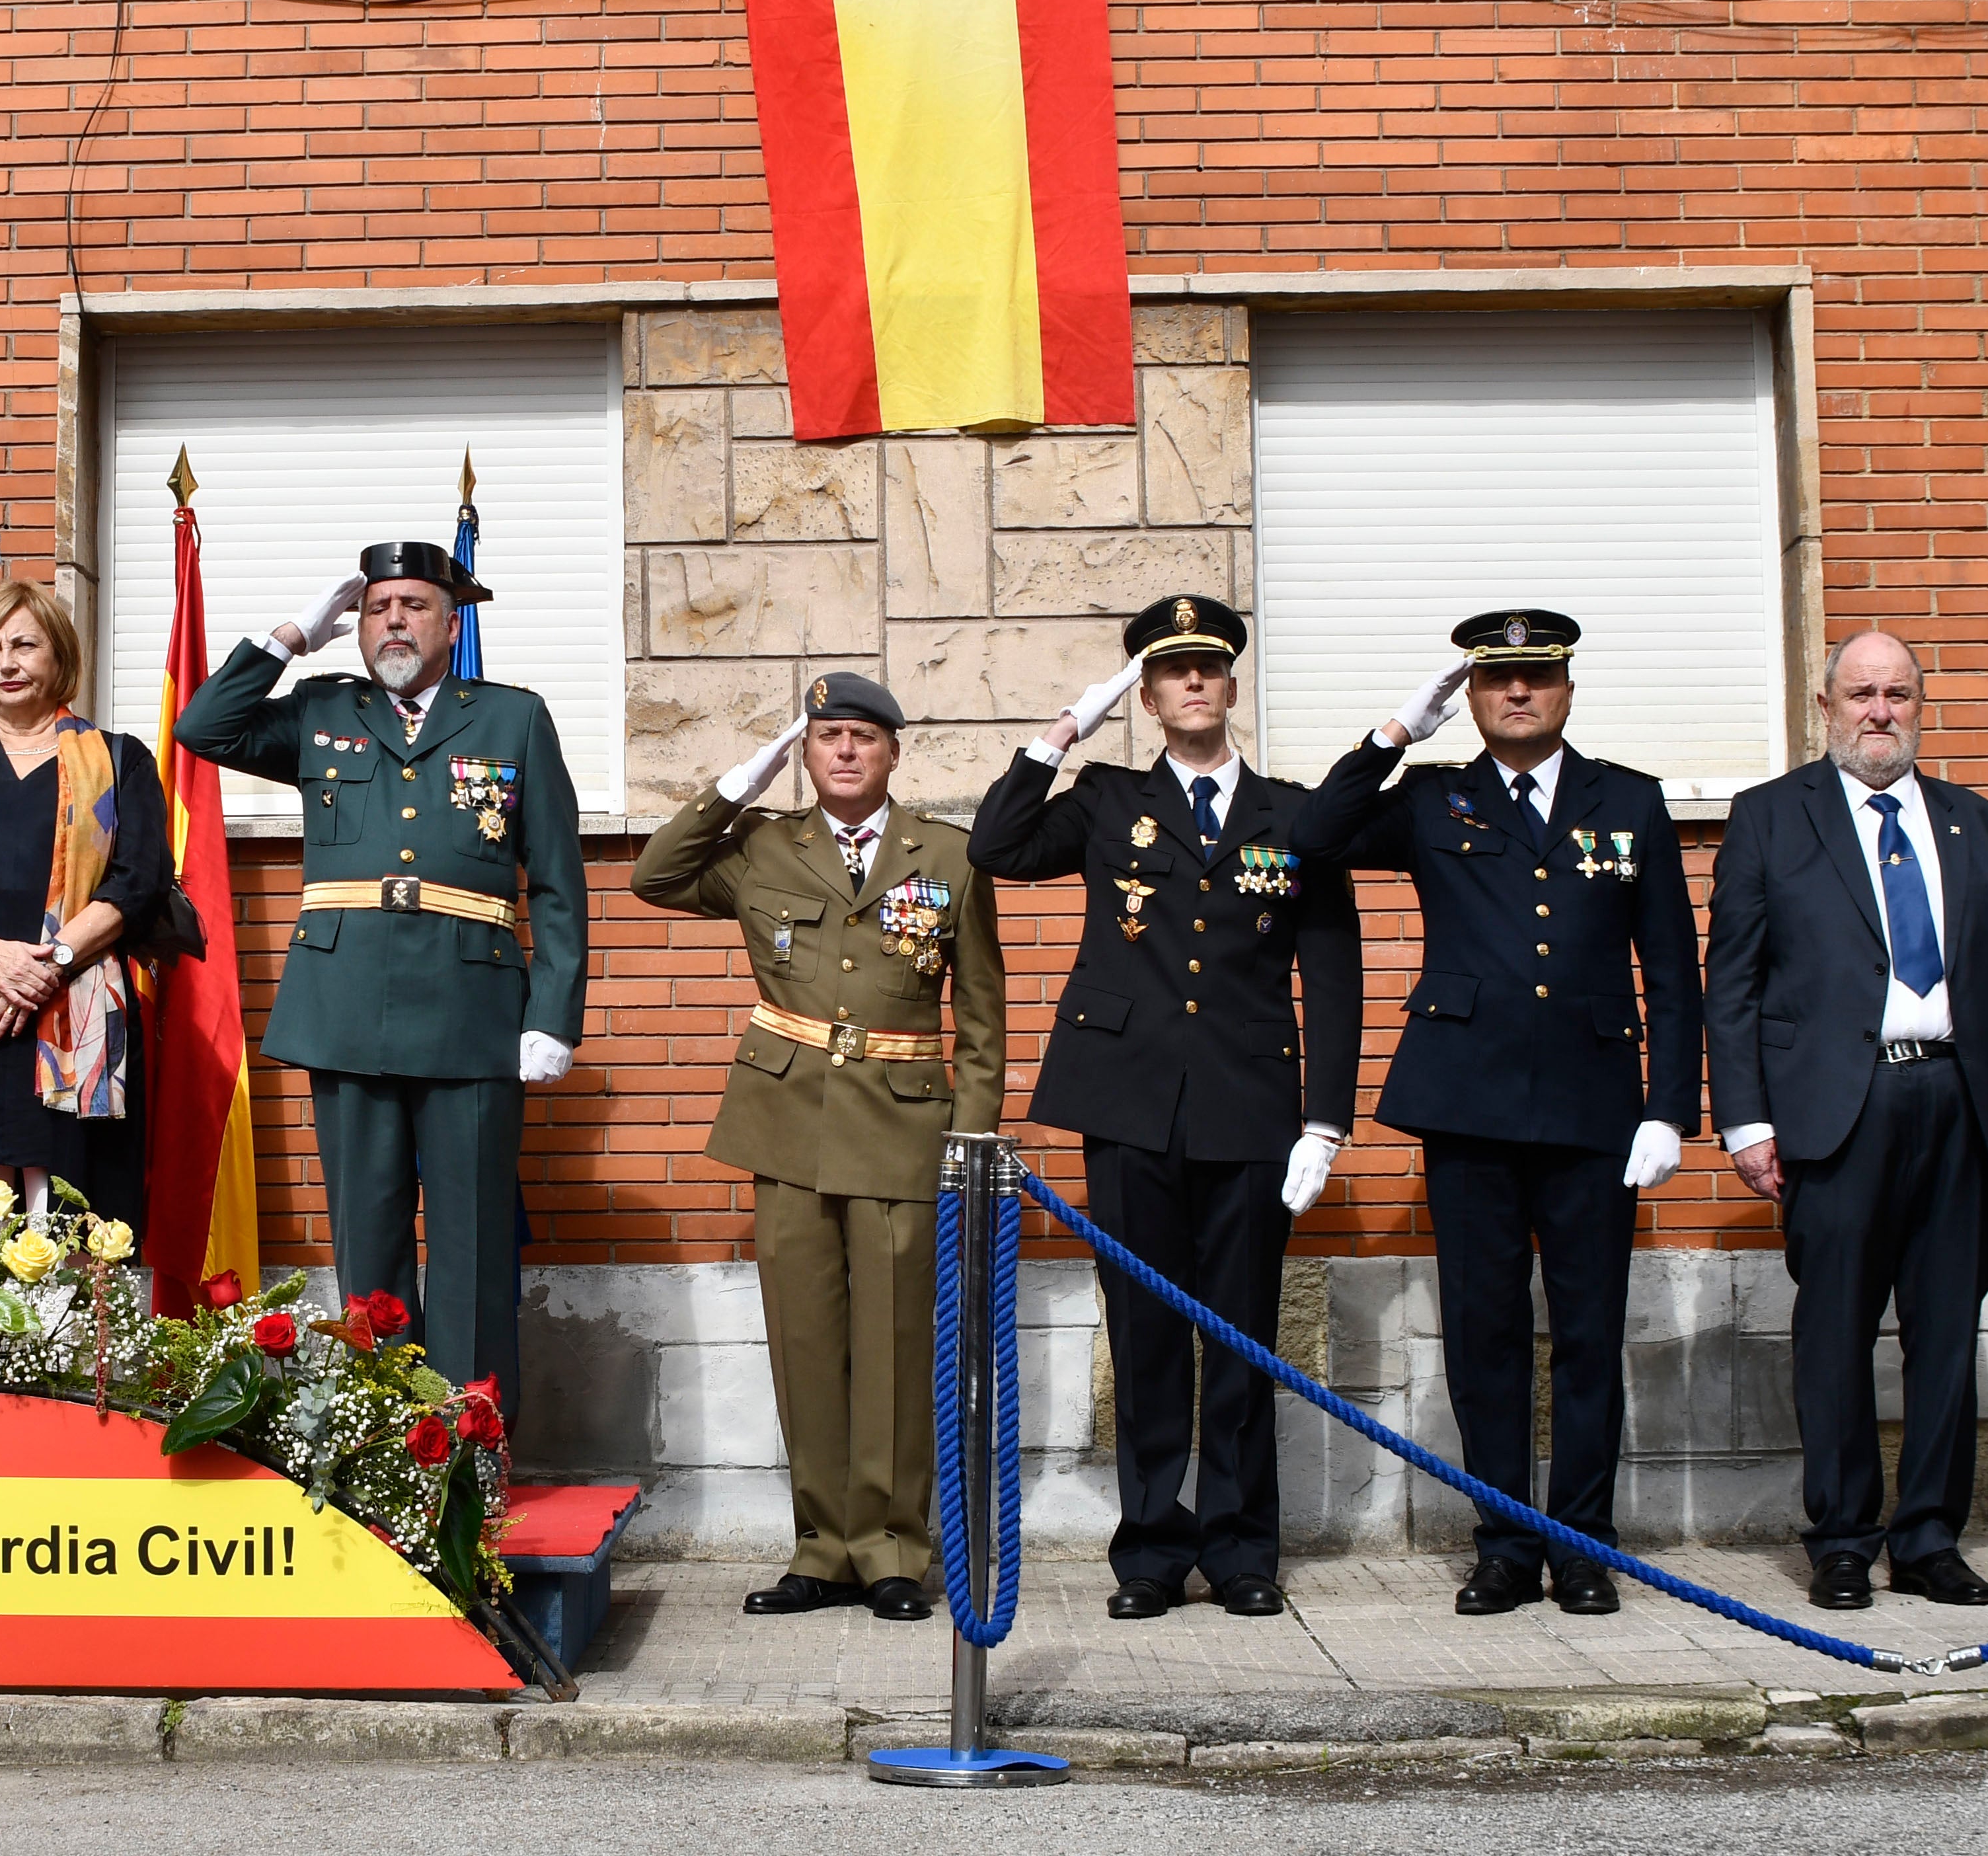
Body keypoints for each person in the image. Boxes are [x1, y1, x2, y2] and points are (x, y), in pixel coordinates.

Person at [1289, 609, 1701, 1617]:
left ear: (1567, 689)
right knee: (1484, 1336)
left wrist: (1670, 1109)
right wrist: (1392, 737)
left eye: (1537, 677)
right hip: (1469, 1102)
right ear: (1471, 697)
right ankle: (1507, 1544)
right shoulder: (1434, 799)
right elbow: (1308, 836)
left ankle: (1583, 1543)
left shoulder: (1630, 801)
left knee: (1590, 1333)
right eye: (1497, 680)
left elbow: (1676, 971)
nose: (1518, 693)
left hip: (1595, 1106)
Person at [968, 596, 1364, 1621]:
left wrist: (1326, 1119)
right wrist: (1059, 735)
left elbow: (1333, 971)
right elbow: (998, 847)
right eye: (1172, 672)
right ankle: (1148, 1548)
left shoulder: (1290, 812)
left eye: (1210, 669)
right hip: (1129, 1098)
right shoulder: (1106, 798)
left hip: (1249, 1103)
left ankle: (1240, 1549)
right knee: (1143, 1334)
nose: (1194, 683)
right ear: (1145, 697)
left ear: (1232, 687)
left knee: (1239, 1333)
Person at [169, 540, 586, 1421]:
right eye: (375, 608)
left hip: (473, 1008)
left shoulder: (511, 718)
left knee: (472, 1248)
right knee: (370, 1245)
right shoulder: (323, 709)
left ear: (451, 620)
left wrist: (553, 1012)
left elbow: (554, 880)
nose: (392, 621)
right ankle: (389, 1440)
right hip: (347, 1002)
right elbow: (203, 728)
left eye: (413, 606)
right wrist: (287, 638)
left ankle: (470, 1444)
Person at [636, 674, 1004, 1622]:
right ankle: (821, 1548)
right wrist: (741, 777)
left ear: (893, 753)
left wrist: (971, 1136)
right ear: (805, 753)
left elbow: (983, 1020)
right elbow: (657, 874)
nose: (844, 752)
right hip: (788, 1121)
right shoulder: (764, 847)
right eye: (826, 736)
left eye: (863, 738)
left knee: (892, 1346)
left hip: (902, 1125)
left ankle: (890, 1552)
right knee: (805, 1343)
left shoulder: (952, 858)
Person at [1706, 631, 1988, 1613]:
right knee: (1835, 1334)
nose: (1879, 712)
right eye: (1861, 694)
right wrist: (1745, 1122)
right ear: (1827, 707)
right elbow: (1730, 985)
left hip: (1961, 1103)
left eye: (1897, 694)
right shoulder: (1773, 819)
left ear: (1920, 705)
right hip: (1836, 1113)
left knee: (1947, 1335)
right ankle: (1845, 1540)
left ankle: (1932, 1539)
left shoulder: (1979, 825)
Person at [0, 580, 178, 1236]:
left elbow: (139, 881)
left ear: (60, 656)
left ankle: (67, 1334)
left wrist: (46, 968)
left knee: (73, 1205)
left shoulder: (119, 759)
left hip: (74, 1002)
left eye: (24, 645)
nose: (6, 663)